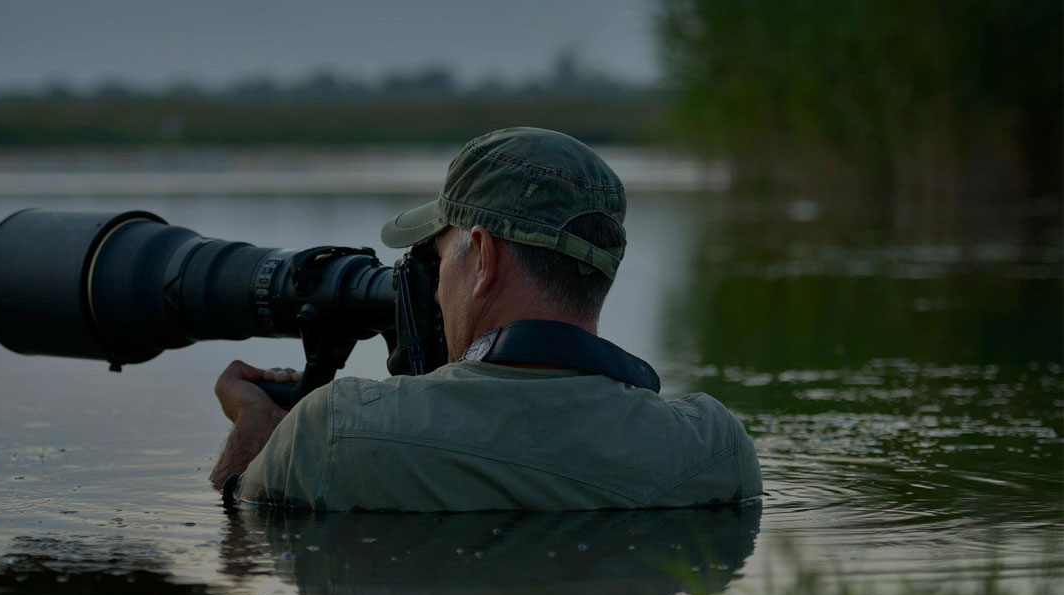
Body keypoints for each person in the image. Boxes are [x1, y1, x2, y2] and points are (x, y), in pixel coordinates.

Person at [208, 127, 762, 511]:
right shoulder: (714, 448)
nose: (433, 288)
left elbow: (240, 542)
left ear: (483, 258)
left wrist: (255, 432)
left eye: (437, 259)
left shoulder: (332, 432)